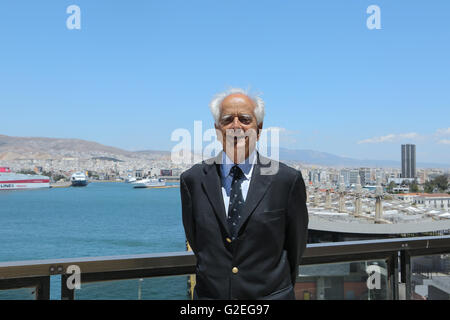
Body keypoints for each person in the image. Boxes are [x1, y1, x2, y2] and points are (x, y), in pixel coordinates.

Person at [180, 88, 309, 300]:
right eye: (227, 119)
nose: (236, 126)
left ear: (258, 129)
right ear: (217, 129)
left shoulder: (286, 180)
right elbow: (197, 241)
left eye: (245, 119)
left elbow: (295, 247)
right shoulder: (192, 180)